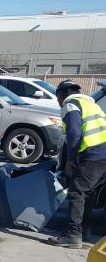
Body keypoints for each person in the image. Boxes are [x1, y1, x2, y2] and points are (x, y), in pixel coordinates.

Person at [48, 80, 106, 247]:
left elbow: (74, 132)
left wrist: (71, 159)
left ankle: (73, 234)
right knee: (89, 193)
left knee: (76, 192)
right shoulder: (93, 105)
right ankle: (84, 231)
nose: (58, 102)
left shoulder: (71, 104)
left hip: (92, 154)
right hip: (103, 155)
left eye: (57, 97)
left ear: (63, 94)